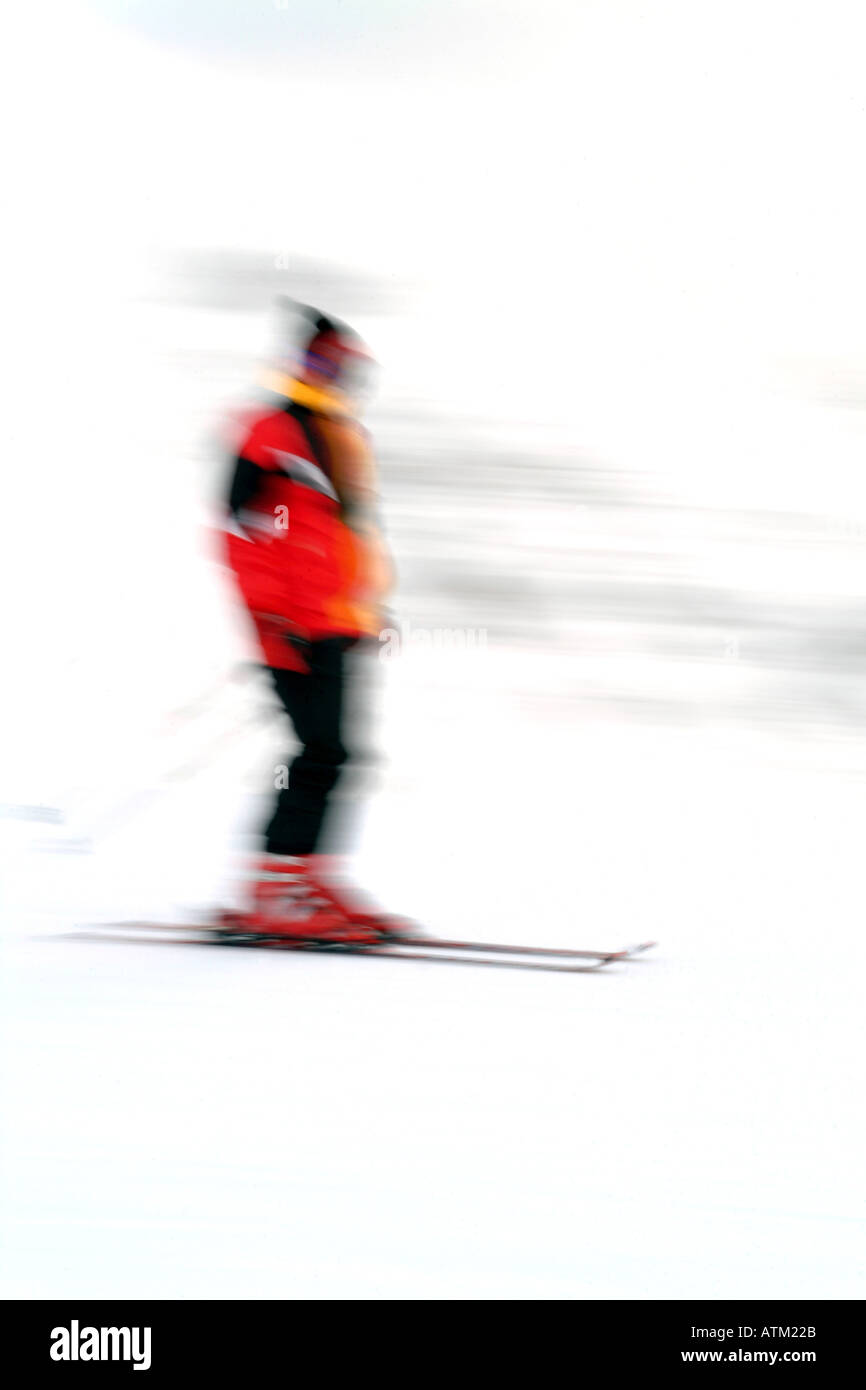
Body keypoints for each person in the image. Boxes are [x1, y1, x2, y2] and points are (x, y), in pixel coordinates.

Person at [222, 304, 398, 942]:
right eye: (324, 361)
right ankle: (273, 889)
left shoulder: (342, 435)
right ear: (300, 361)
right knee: (317, 752)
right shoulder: (269, 429)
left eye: (343, 365)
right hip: (290, 627)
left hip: (335, 624)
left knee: (337, 755)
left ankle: (306, 876)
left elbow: (344, 535)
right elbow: (242, 528)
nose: (334, 373)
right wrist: (271, 614)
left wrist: (369, 609)